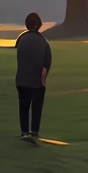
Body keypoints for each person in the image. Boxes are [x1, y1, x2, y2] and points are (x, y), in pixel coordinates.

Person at [15, 12, 53, 141]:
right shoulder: (43, 42)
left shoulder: (21, 39)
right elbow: (46, 63)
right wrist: (43, 80)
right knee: (36, 107)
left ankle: (24, 131)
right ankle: (34, 131)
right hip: (36, 81)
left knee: (23, 106)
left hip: (21, 79)